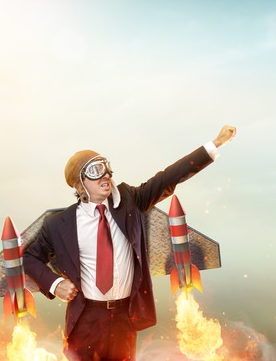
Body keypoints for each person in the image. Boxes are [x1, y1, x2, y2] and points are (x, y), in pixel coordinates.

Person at [23, 125, 236, 360]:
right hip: (85, 319)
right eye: (96, 170)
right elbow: (29, 258)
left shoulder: (130, 202)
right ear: (79, 183)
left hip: (124, 318)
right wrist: (54, 284)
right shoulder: (58, 224)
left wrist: (214, 144)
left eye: (107, 168)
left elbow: (169, 176)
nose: (106, 174)